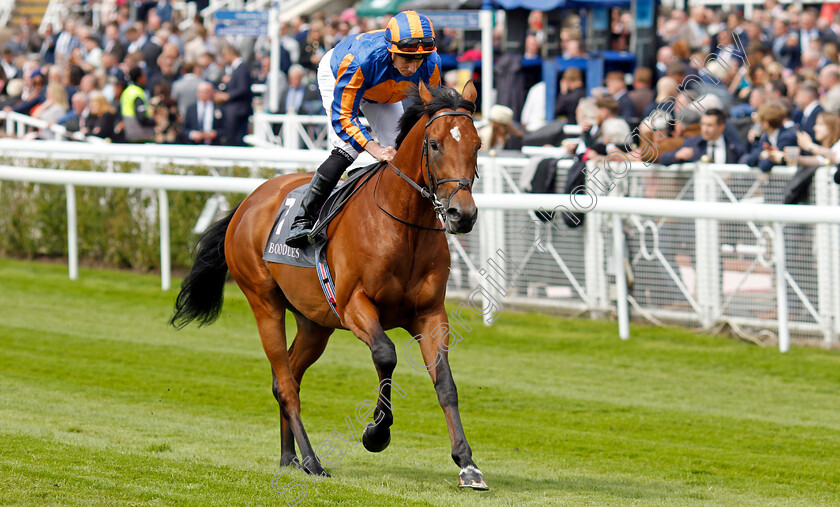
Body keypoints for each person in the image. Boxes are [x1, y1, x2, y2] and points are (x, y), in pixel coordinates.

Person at [286, 11, 442, 248]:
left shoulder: (430, 63)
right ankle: (303, 219)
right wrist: (374, 148)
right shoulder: (360, 60)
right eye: (406, 59)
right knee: (348, 146)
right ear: (391, 50)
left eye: (418, 60)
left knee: (401, 149)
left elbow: (430, 112)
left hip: (384, 90)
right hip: (339, 73)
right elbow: (344, 118)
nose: (412, 68)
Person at [659, 109, 745, 165]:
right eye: (703, 124)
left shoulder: (734, 148)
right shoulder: (692, 143)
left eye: (709, 125)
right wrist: (676, 156)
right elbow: (663, 159)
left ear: (721, 127)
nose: (704, 129)